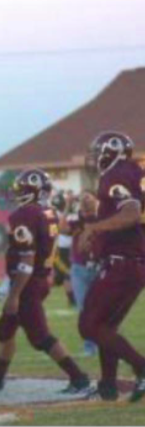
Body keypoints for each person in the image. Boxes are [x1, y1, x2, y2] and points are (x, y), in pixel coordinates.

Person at [0, 169, 90, 394]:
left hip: (27, 284)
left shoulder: (25, 215)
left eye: (21, 190)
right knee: (4, 331)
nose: (16, 193)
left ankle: (79, 378)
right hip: (38, 279)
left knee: (40, 337)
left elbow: (26, 259)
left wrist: (14, 294)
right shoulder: (48, 211)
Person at [78, 132, 145, 403]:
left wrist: (93, 227)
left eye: (98, 152)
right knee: (105, 326)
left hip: (122, 263)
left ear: (111, 152)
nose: (94, 158)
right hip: (130, 262)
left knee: (90, 326)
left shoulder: (116, 174)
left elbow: (130, 213)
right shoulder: (131, 172)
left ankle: (141, 367)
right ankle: (107, 386)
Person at [65, 192, 100, 357]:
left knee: (102, 309)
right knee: (85, 309)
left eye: (88, 203)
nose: (86, 206)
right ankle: (90, 345)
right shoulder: (77, 220)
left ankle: (106, 344)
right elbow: (61, 228)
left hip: (99, 266)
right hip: (80, 267)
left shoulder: (102, 218)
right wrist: (66, 205)